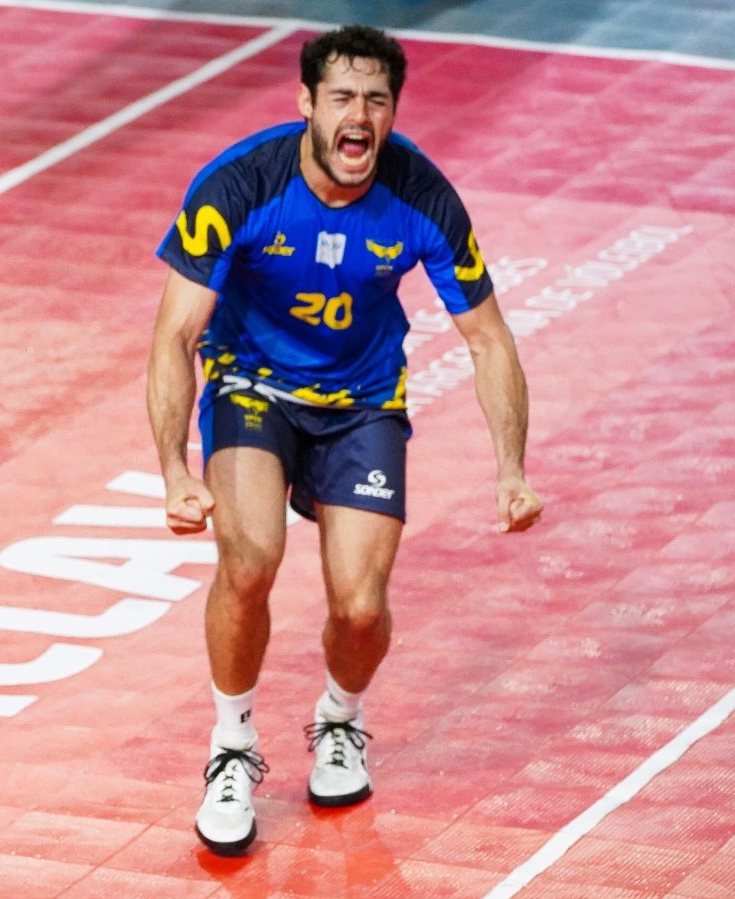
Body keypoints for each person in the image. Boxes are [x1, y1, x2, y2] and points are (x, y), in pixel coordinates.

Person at [146, 25, 544, 856]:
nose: (359, 115)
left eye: (376, 100)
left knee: (360, 608)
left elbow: (489, 338)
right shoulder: (239, 186)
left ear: (392, 111)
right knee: (249, 560)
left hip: (363, 402)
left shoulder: (422, 196)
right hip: (254, 387)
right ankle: (231, 745)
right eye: (342, 98)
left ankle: (339, 719)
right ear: (306, 103)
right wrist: (174, 471)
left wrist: (511, 468)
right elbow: (175, 335)